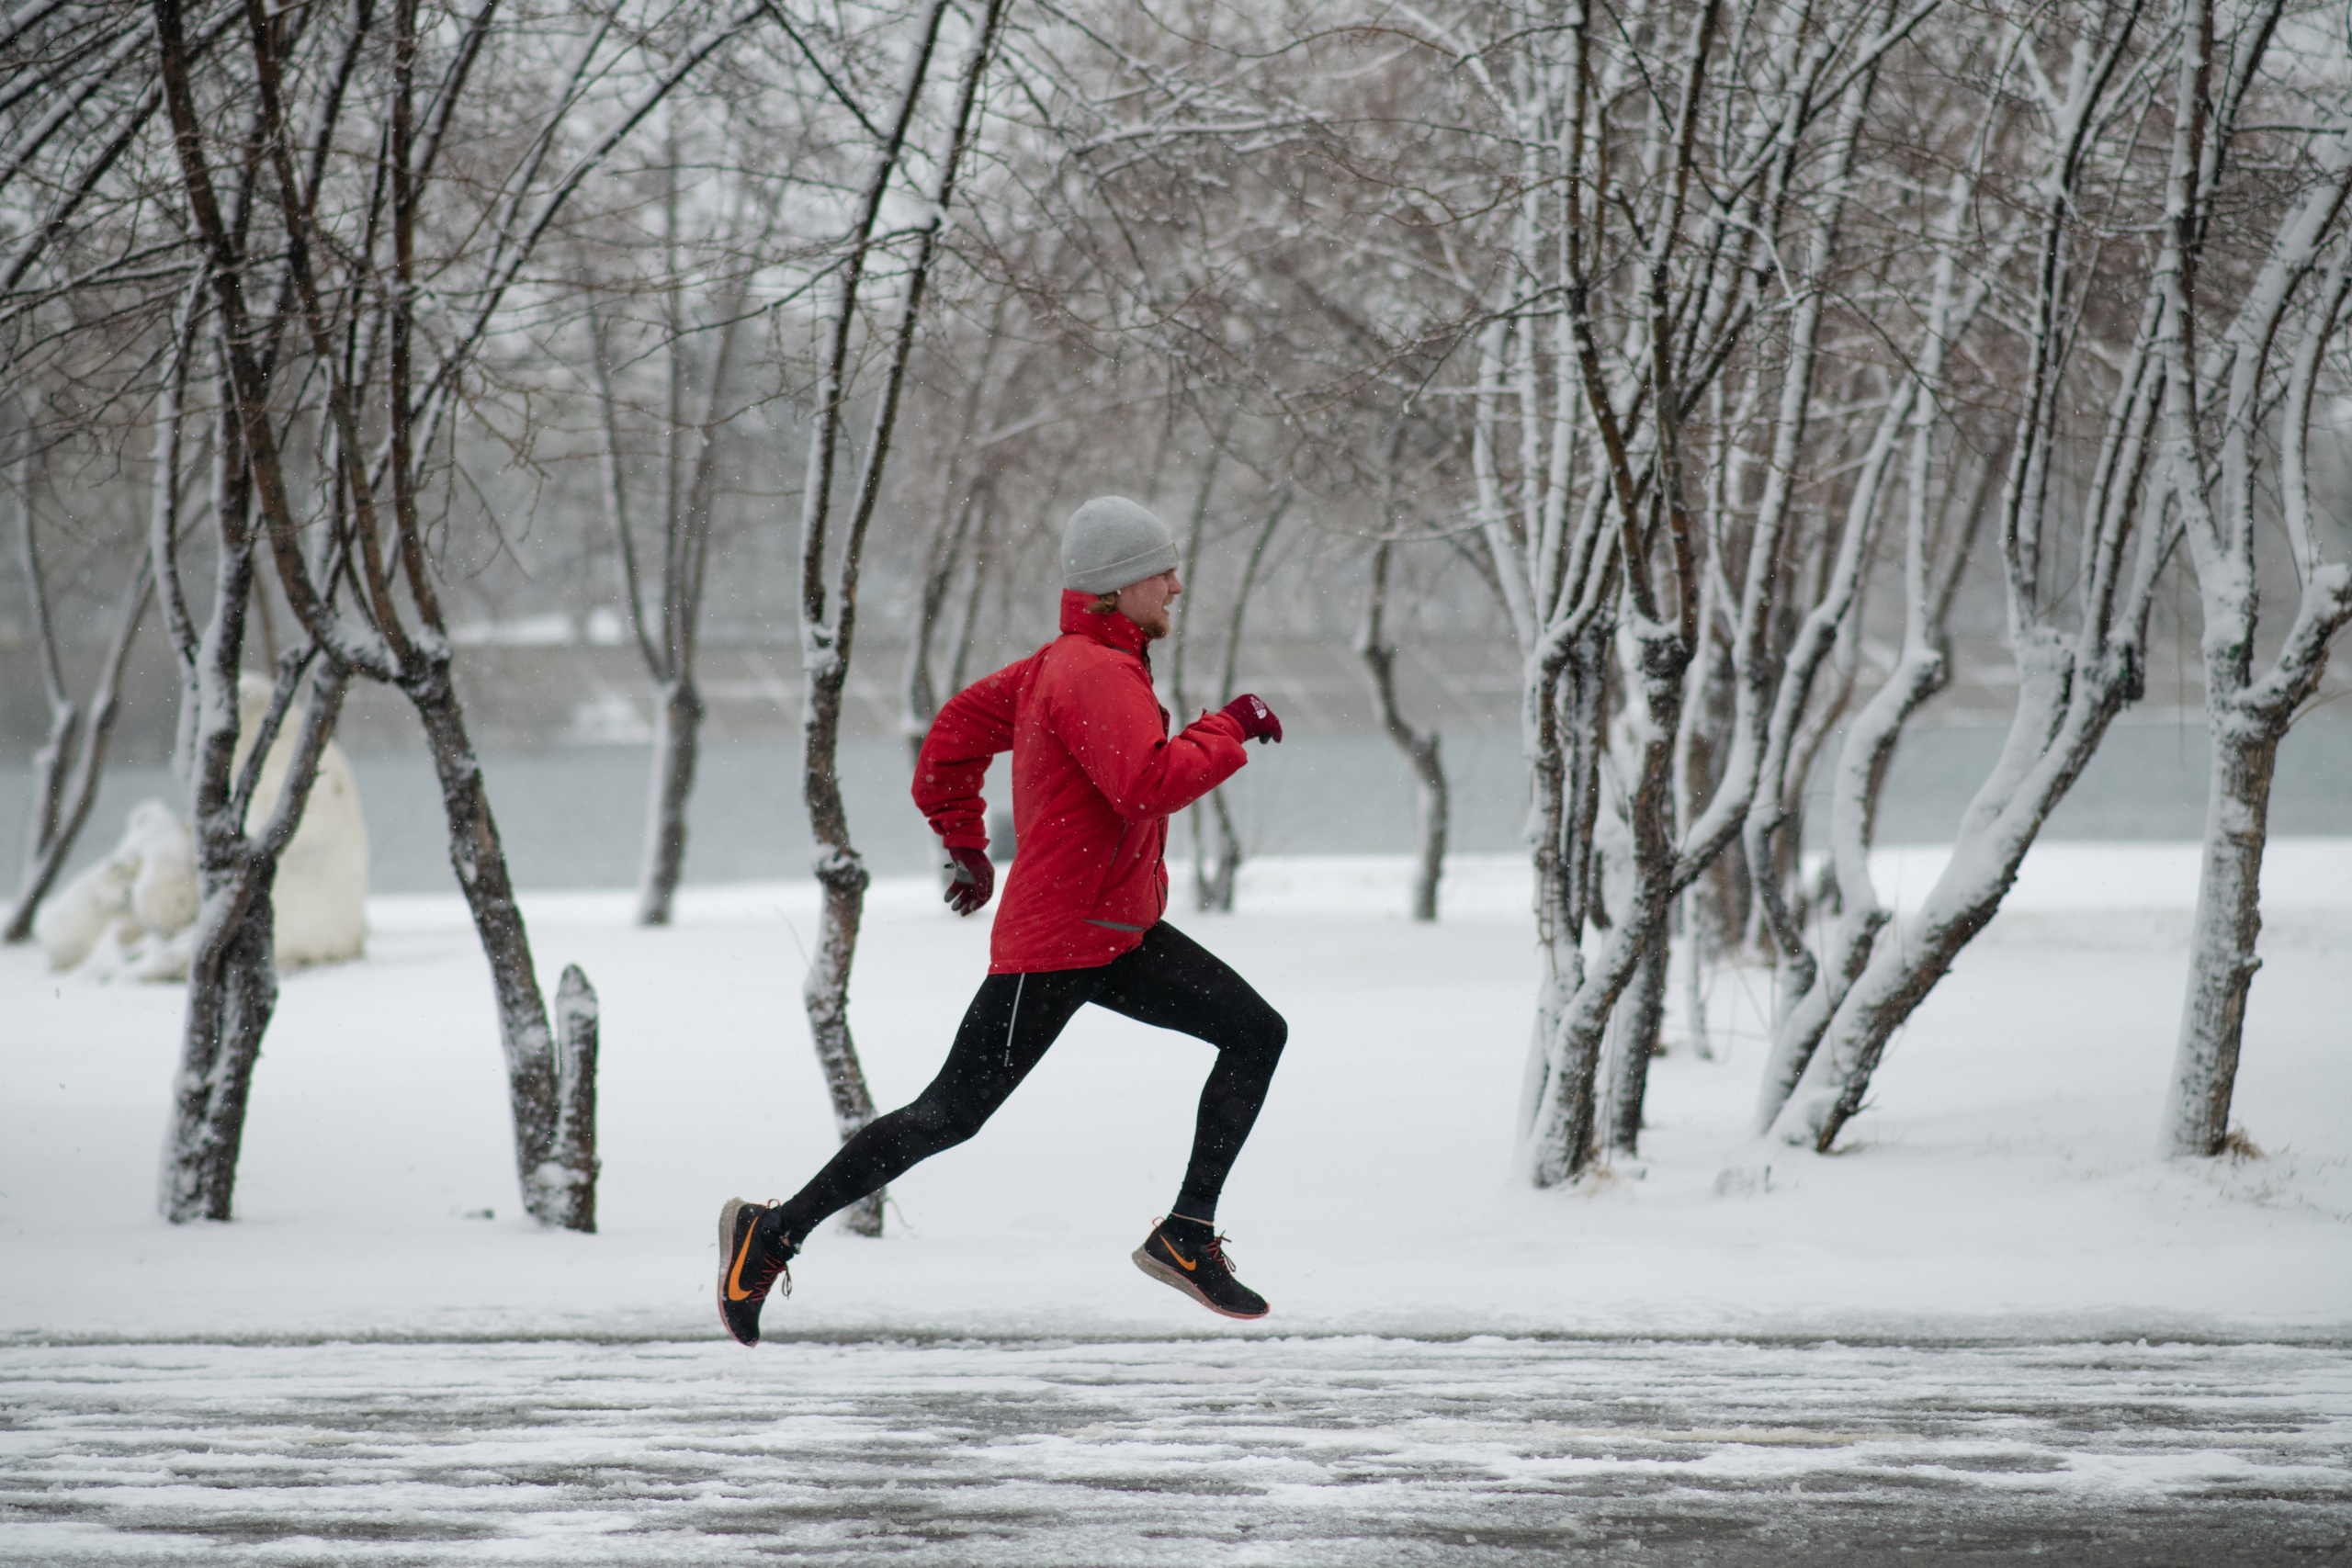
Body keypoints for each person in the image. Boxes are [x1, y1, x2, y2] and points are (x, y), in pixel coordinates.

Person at [718, 495, 1291, 1346]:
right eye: (1161, 572)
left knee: (1256, 1031)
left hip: (1118, 933)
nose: (1176, 584)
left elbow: (950, 737)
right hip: (1060, 945)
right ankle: (774, 1232)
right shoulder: (1089, 670)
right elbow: (1147, 782)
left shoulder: (1064, 664)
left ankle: (1187, 1233)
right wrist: (1229, 726)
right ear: (1115, 587)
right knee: (948, 1114)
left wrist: (968, 845)